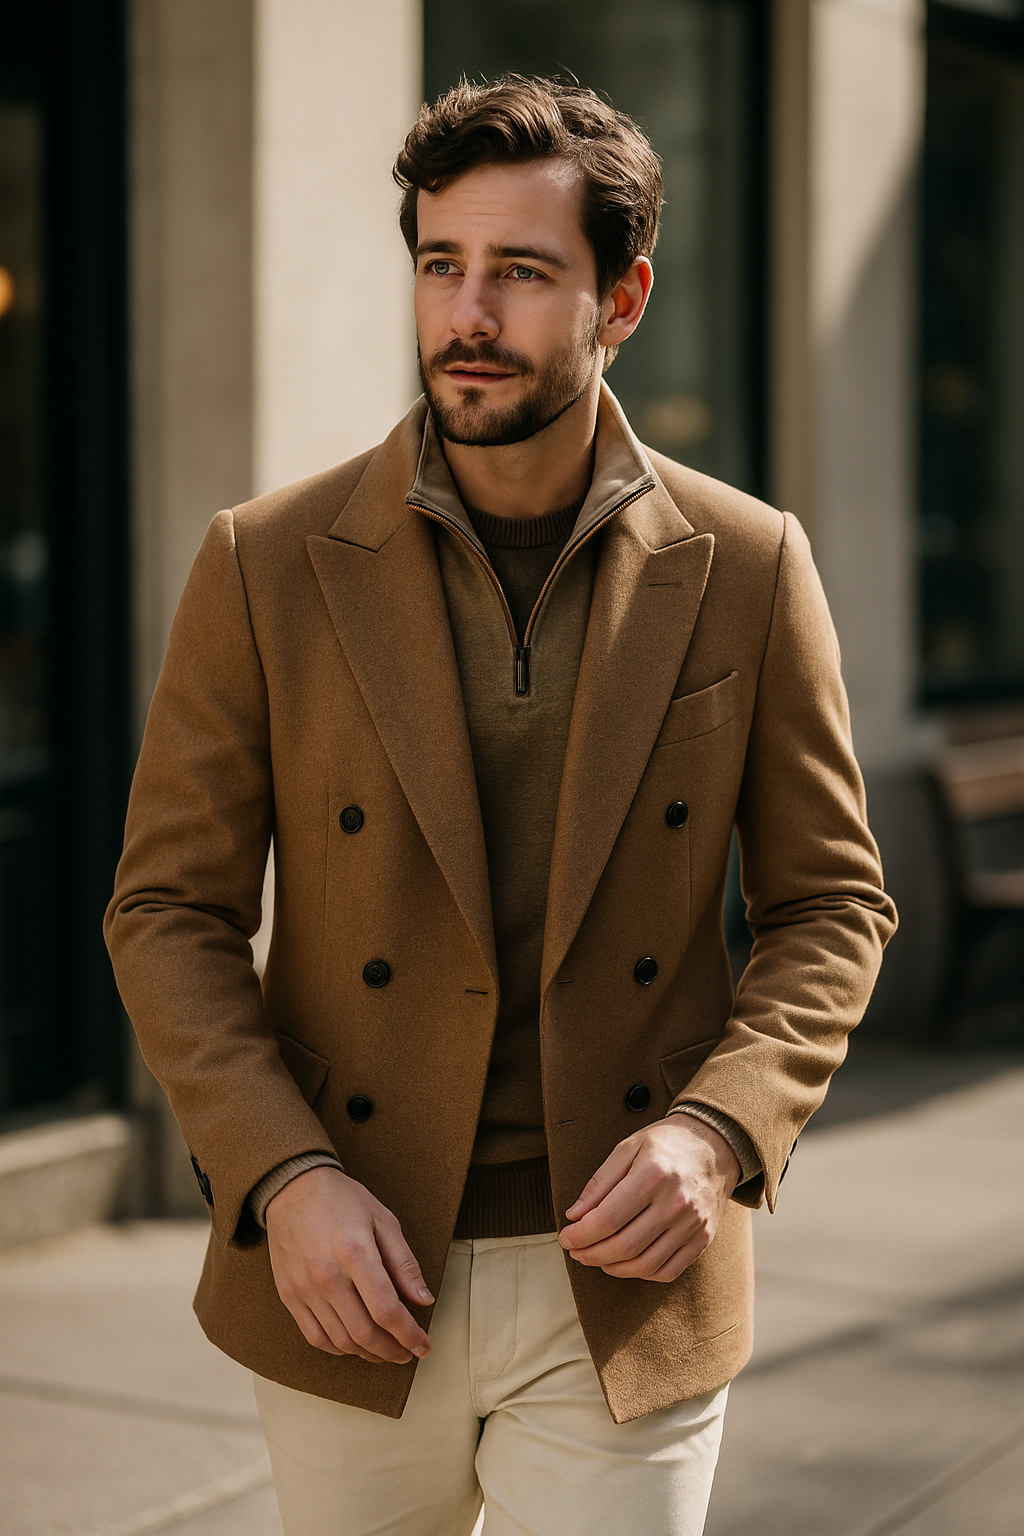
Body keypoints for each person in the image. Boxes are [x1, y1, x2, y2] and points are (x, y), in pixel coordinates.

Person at [105, 76, 897, 1536]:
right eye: (439, 264)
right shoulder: (265, 563)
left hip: (628, 1274)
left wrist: (718, 1132)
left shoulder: (747, 562)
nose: (468, 313)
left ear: (624, 297)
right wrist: (284, 1176)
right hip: (350, 1262)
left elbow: (832, 903)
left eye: (523, 273)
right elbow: (168, 912)